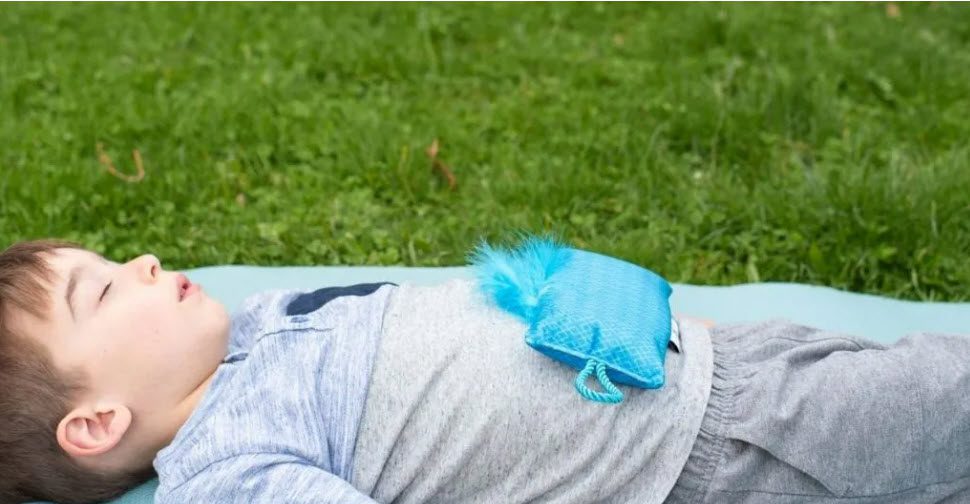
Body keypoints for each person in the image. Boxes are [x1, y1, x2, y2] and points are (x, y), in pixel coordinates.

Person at [0, 238, 967, 504]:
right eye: (99, 293)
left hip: (714, 359)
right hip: (711, 449)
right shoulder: (227, 464)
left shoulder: (256, 333)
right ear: (95, 423)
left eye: (111, 257)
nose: (142, 267)